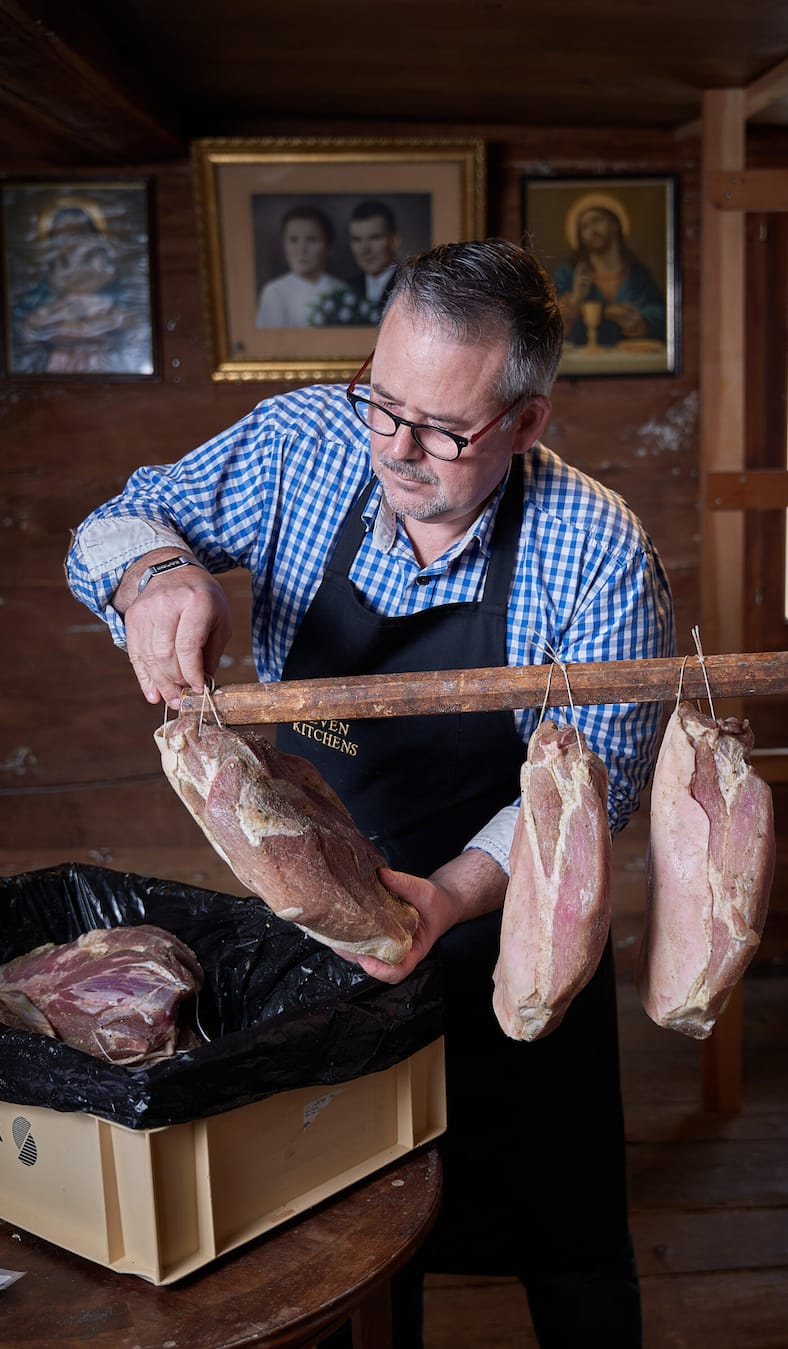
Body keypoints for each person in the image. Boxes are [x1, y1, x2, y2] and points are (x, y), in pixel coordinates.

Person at [66, 238, 675, 1348]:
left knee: (571, 1237)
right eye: (381, 403)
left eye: (443, 430)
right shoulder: (304, 440)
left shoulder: (599, 550)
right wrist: (157, 572)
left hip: (515, 925)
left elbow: (594, 785)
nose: (396, 448)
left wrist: (444, 895)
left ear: (529, 421)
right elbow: (122, 515)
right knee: (343, 1230)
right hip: (323, 926)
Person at [13, 198, 142, 374]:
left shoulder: (114, 280)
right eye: (61, 236)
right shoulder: (48, 281)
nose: (71, 243)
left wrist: (113, 320)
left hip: (111, 367)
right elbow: (21, 331)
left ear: (94, 235)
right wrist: (35, 325)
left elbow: (139, 328)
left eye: (78, 233)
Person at [554, 192, 667, 348]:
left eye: (597, 220)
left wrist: (642, 322)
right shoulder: (567, 274)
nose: (591, 230)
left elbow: (662, 314)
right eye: (584, 227)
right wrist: (575, 298)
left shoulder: (638, 275)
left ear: (614, 225)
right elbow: (548, 324)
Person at [310, 199, 401, 327]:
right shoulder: (346, 288)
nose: (365, 249)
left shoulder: (409, 285)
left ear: (394, 241)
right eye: (357, 240)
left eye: (375, 238)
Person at [255, 203, 344, 328]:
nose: (301, 250)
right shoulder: (274, 292)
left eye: (312, 240)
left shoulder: (341, 290)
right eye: (293, 240)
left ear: (328, 246)